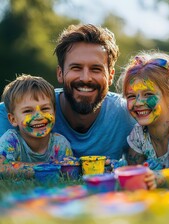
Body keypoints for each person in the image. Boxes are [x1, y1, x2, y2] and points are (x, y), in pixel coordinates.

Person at [0, 24, 135, 161]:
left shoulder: (129, 113)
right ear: (60, 73)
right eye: (76, 68)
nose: (85, 78)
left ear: (111, 76)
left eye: (96, 69)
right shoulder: (10, 111)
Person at [120, 50, 169, 186]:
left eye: (148, 94)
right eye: (131, 96)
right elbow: (132, 172)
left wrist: (161, 177)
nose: (138, 103)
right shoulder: (139, 133)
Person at [0, 74, 73, 177]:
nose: (39, 116)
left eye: (45, 109)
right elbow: (1, 167)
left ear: (54, 112)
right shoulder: (11, 140)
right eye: (28, 111)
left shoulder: (60, 144)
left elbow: (68, 173)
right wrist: (44, 168)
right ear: (13, 119)